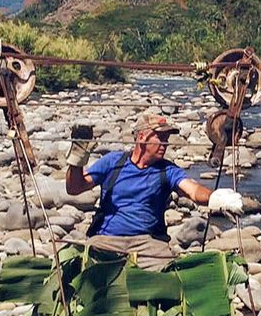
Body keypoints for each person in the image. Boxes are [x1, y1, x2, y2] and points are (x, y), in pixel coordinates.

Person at [65, 113, 242, 271]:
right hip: (106, 239)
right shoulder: (113, 162)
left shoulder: (167, 170)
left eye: (166, 137)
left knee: (168, 278)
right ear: (142, 137)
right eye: (160, 137)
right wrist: (77, 155)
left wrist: (215, 197)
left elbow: (193, 191)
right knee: (86, 274)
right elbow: (75, 188)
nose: (165, 143)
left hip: (148, 244)